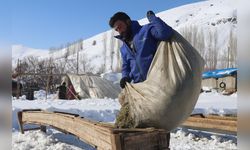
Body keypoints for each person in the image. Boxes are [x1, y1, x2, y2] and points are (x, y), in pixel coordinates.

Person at [109, 11, 174, 89]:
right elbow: (126, 66)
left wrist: (153, 18)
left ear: (128, 22)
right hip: (140, 86)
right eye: (117, 30)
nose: (119, 31)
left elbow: (165, 34)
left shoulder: (146, 31)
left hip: (159, 82)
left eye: (120, 27)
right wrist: (125, 77)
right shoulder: (123, 48)